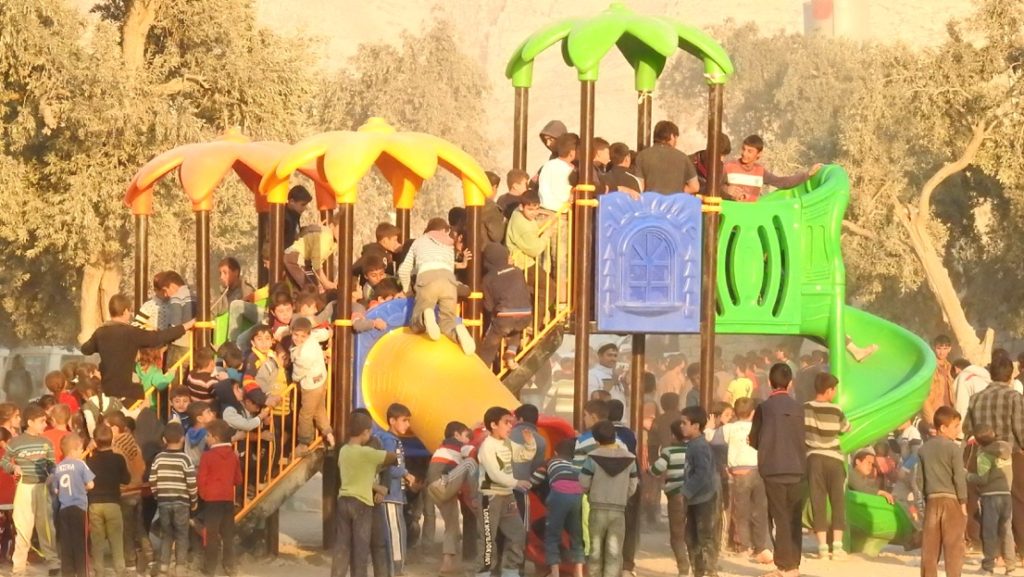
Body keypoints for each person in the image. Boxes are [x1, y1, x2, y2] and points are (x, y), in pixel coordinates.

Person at [81, 294, 193, 402]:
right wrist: (186, 326)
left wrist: (102, 345)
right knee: (144, 398)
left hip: (106, 389)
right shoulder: (131, 333)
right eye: (129, 311)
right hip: (127, 391)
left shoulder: (100, 333)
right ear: (125, 311)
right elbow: (159, 337)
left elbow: (86, 349)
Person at [749, 363, 805, 577]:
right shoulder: (799, 408)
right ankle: (794, 565)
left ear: (770, 382)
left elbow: (755, 439)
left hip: (773, 468)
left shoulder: (764, 408)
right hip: (797, 468)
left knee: (779, 516)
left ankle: (784, 566)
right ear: (790, 383)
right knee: (793, 517)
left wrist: (759, 444)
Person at [964, 354, 1024, 554]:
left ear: (990, 374)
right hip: (1010, 454)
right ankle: (1021, 550)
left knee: (979, 498)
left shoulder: (975, 398)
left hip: (982, 454)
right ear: (1010, 376)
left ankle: (985, 545)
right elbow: (1019, 428)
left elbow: (967, 428)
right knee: (1017, 500)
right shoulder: (1015, 397)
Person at [333, 412, 399, 577]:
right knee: (361, 549)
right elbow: (392, 459)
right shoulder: (368, 452)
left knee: (342, 546)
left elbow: (353, 474)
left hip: (343, 501)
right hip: (362, 503)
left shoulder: (343, 451)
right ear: (364, 432)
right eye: (369, 431)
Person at [398, 218, 475, 355]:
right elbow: (446, 266)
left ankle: (424, 316)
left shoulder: (419, 241)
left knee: (415, 322)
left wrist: (406, 290)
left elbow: (404, 270)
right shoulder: (449, 244)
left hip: (427, 278)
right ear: (444, 231)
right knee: (447, 322)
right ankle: (457, 330)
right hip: (449, 281)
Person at [475, 406, 536, 577]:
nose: (510, 426)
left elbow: (522, 455)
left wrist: (530, 443)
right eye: (506, 422)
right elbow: (495, 474)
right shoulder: (487, 446)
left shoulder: (507, 442)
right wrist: (516, 482)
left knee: (517, 533)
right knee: (488, 540)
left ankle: (511, 572)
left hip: (507, 496)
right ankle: (483, 573)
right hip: (490, 497)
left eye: (511, 422)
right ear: (493, 425)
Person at [1, 404, 57, 574]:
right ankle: (19, 567)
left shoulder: (46, 442)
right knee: (23, 526)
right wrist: (13, 468)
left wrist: (53, 475)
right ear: (30, 422)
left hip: (42, 486)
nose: (44, 425)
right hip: (24, 487)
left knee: (46, 525)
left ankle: (53, 561)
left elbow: (52, 464)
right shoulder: (16, 442)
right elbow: (4, 461)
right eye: (41, 421)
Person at [580, 420, 638, 577]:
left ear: (596, 440)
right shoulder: (630, 459)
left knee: (595, 551)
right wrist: (620, 495)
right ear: (615, 436)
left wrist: (591, 492)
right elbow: (633, 486)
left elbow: (583, 482)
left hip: (597, 509)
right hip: (618, 510)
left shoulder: (592, 458)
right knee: (614, 552)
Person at [803, 372, 851, 560]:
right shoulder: (836, 410)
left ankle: (822, 547)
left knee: (818, 501)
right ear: (829, 390)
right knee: (838, 501)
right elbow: (846, 428)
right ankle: (837, 547)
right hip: (834, 458)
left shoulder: (805, 408)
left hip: (814, 458)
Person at [721, 397, 772, 564]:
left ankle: (744, 546)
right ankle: (760, 546)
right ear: (753, 413)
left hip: (740, 473)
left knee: (741, 512)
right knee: (760, 510)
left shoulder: (729, 428)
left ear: (735, 413)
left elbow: (712, 438)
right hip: (759, 471)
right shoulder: (761, 427)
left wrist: (717, 423)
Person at [918, 406, 968, 577]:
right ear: (943, 428)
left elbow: (920, 480)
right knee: (953, 547)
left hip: (932, 501)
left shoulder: (923, 449)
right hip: (951, 501)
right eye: (955, 426)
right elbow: (959, 477)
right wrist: (963, 502)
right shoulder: (954, 448)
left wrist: (925, 501)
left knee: (929, 549)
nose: (957, 430)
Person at [676, 406, 720, 577]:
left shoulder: (699, 446)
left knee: (704, 538)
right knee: (691, 538)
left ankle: (709, 572)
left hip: (704, 499)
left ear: (696, 426)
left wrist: (685, 492)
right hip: (697, 498)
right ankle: (699, 572)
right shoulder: (694, 444)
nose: (681, 426)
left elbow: (702, 474)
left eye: (684, 423)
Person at [530, 438, 584, 577]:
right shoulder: (576, 464)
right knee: (576, 535)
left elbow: (535, 480)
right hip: (577, 496)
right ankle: (579, 572)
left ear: (555, 452)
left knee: (552, 536)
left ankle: (555, 573)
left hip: (559, 496)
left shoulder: (549, 461)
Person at [149, 422, 197, 576]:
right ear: (183, 439)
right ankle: (180, 567)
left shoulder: (158, 458)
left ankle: (164, 566)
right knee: (182, 534)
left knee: (167, 533)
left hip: (163, 502)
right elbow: (191, 483)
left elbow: (152, 480)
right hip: (182, 502)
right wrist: (194, 501)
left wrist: (157, 495)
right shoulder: (185, 459)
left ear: (164, 439)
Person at [966, 425, 1015, 574]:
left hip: (990, 497)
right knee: (1006, 530)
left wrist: (966, 475)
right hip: (1006, 495)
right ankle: (1010, 566)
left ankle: (988, 566)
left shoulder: (984, 456)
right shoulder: (1006, 448)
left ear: (979, 442)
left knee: (989, 532)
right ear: (993, 434)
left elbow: (983, 479)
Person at [478, 243, 532, 370]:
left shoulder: (487, 279)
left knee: (490, 344)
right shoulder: (518, 271)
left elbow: (489, 306)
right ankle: (511, 353)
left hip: (505, 317)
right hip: (526, 314)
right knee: (516, 328)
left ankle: (482, 369)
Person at [198, 419, 241, 577]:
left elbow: (201, 479)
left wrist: (203, 495)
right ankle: (229, 566)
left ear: (215, 438)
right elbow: (238, 480)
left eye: (207, 435)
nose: (206, 438)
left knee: (211, 535)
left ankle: (210, 568)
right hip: (228, 499)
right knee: (228, 534)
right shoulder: (233, 455)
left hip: (211, 501)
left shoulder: (207, 456)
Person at [649, 413, 691, 576]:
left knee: (677, 533)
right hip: (692, 493)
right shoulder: (692, 448)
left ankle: (683, 567)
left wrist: (649, 470)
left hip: (675, 494)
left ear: (673, 435)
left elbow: (657, 470)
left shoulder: (668, 451)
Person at [87, 423, 130, 577]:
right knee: (116, 538)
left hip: (94, 504)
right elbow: (126, 479)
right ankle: (120, 568)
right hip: (113, 503)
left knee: (97, 539)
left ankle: (98, 570)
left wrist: (88, 450)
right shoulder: (118, 459)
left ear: (95, 442)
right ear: (112, 440)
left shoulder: (90, 461)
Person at [722, 135, 822, 202]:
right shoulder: (728, 167)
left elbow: (782, 182)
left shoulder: (760, 172)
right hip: (729, 218)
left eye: (749, 151)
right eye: (743, 149)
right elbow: (713, 187)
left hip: (750, 219)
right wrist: (726, 190)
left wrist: (807, 174)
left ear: (759, 154)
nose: (744, 153)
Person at [377, 403, 415, 576]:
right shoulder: (388, 440)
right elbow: (389, 467)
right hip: (390, 495)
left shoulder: (389, 439)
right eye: (404, 420)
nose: (407, 425)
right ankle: (396, 572)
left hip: (395, 494)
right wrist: (406, 473)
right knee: (395, 536)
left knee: (397, 534)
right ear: (392, 421)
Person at [51, 433, 94, 577]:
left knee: (66, 542)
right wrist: (81, 487)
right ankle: (82, 572)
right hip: (78, 508)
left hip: (64, 509)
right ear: (74, 450)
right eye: (81, 449)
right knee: (80, 542)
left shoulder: (58, 467)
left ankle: (68, 572)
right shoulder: (80, 464)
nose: (82, 452)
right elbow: (90, 484)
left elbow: (56, 490)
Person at [289, 317, 333, 454]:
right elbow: (322, 333)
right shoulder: (313, 337)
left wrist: (293, 379)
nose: (299, 339)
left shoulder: (303, 354)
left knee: (305, 414)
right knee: (319, 410)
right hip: (321, 380)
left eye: (302, 336)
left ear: (307, 335)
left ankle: (303, 443)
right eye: (296, 335)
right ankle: (329, 435)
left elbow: (298, 372)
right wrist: (330, 332)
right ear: (291, 332)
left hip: (311, 386)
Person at [632, 120, 699, 195]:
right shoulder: (683, 158)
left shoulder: (642, 156)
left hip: (651, 204)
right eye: (676, 137)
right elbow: (695, 187)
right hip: (674, 205)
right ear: (671, 136)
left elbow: (640, 186)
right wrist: (676, 190)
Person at [538, 133, 579, 214]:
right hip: (559, 214)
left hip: (551, 211)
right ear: (572, 152)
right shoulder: (570, 169)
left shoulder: (548, 165)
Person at [923, 335, 955, 426]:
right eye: (939, 348)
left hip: (949, 412)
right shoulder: (930, 367)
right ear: (934, 348)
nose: (942, 352)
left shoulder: (950, 367)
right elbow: (925, 396)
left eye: (945, 348)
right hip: (934, 412)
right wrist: (931, 418)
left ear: (949, 349)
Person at [482, 171, 508, 244]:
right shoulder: (491, 208)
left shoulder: (471, 203)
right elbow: (497, 236)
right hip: (487, 252)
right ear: (494, 187)